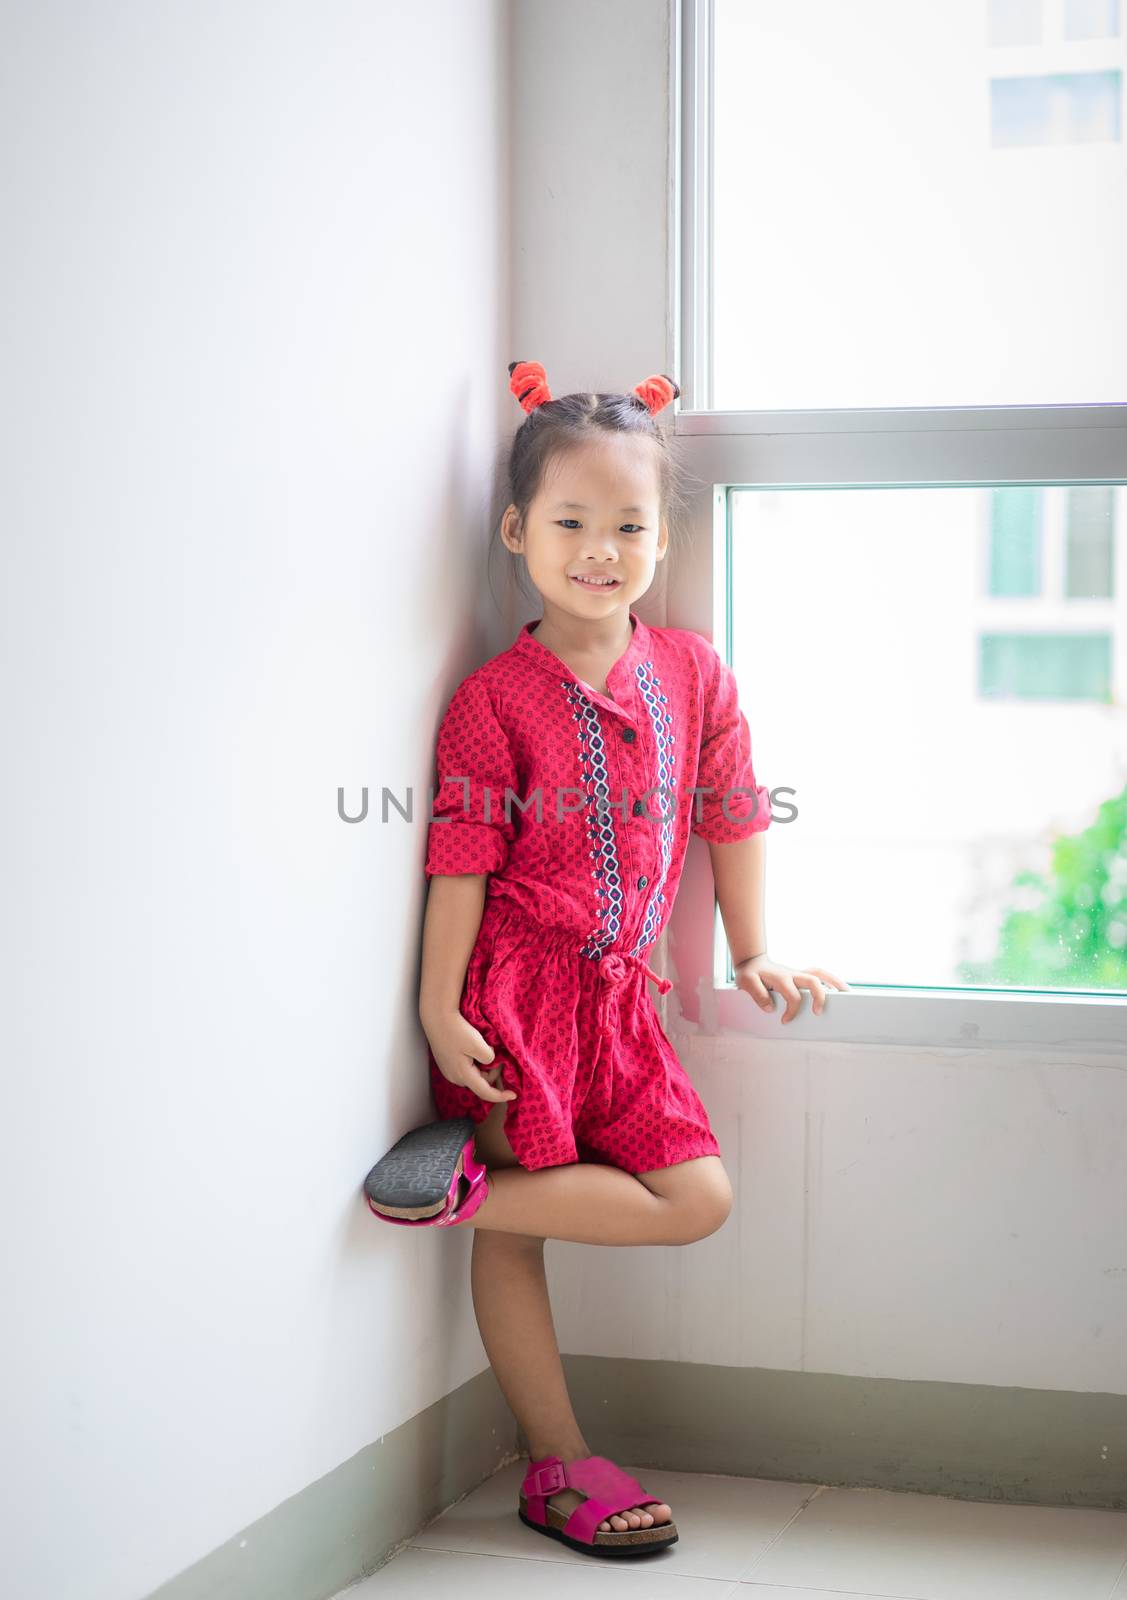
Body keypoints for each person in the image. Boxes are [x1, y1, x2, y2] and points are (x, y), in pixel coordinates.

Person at [364, 359, 849, 1559]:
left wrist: (755, 950)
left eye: (627, 523)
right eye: (571, 522)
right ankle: (555, 1464)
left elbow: (731, 813)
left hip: (627, 1010)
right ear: (518, 531)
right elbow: (461, 862)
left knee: (697, 1197)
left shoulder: (692, 673)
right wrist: (437, 1009)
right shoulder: (492, 697)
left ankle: (454, 1193)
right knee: (517, 1247)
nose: (600, 547)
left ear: (661, 535)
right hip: (516, 1002)